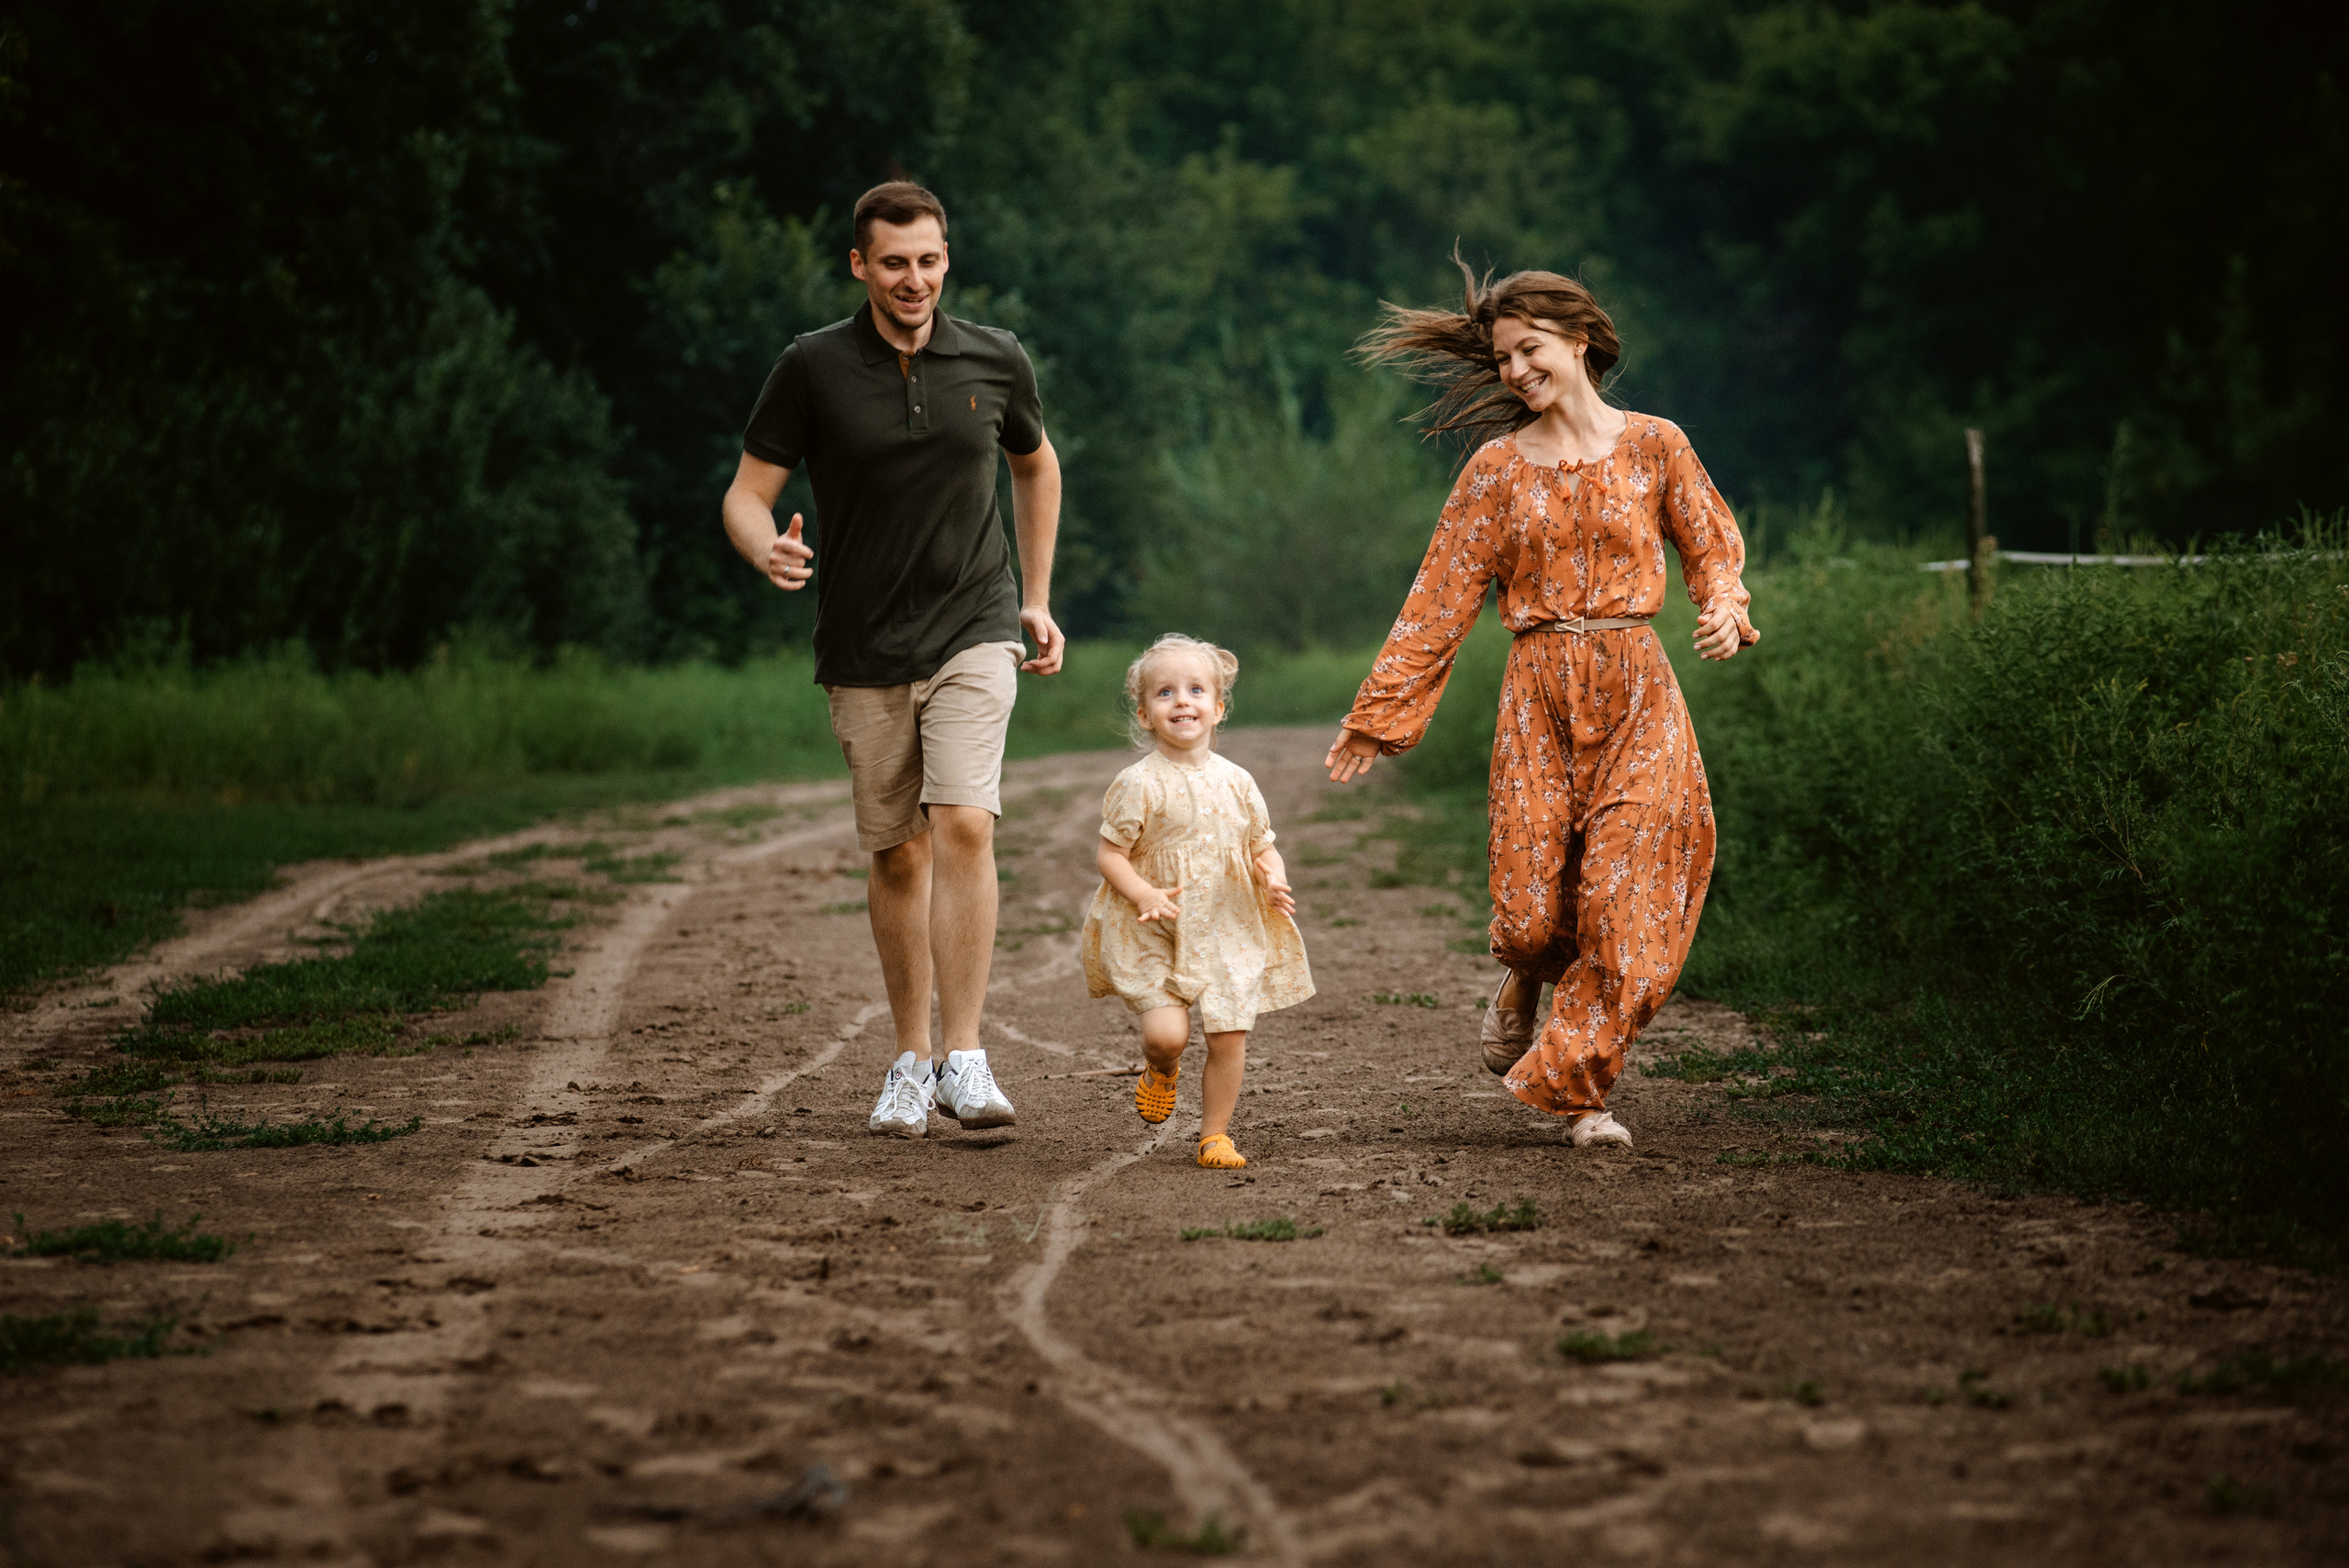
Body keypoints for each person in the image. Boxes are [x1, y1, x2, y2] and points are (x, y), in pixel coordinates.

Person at [1324, 257, 1755, 1150]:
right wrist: (1379, 714)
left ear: (1581, 337)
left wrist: (1723, 606)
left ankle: (1580, 1088)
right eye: (1502, 359)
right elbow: (1439, 596)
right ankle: (1524, 973)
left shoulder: (1655, 444)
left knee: (1621, 897)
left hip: (1639, 690)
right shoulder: (1494, 470)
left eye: (1529, 350)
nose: (1515, 371)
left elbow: (1711, 547)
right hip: (1539, 693)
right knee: (1527, 910)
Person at [720, 181, 1065, 1140]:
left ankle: (966, 1057)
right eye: (894, 262)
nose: (914, 279)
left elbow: (1035, 464)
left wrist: (1033, 597)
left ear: (946, 258)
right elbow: (746, 494)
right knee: (897, 851)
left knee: (962, 820)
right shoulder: (813, 367)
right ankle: (910, 1060)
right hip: (863, 642)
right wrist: (765, 546)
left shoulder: (994, 358)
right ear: (860, 265)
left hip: (975, 623)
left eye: (929, 260)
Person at [1081, 635, 1314, 1170]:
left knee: (1229, 1034)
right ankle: (1161, 1069)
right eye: (1165, 692)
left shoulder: (1238, 781)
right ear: (1144, 715)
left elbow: (1261, 845)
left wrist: (1274, 876)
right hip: (1155, 925)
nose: (1181, 701)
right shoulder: (1137, 783)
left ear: (1218, 708)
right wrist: (1143, 891)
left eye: (1195, 690)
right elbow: (1110, 854)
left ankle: (1215, 1135)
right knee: (1167, 1037)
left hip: (1228, 921)